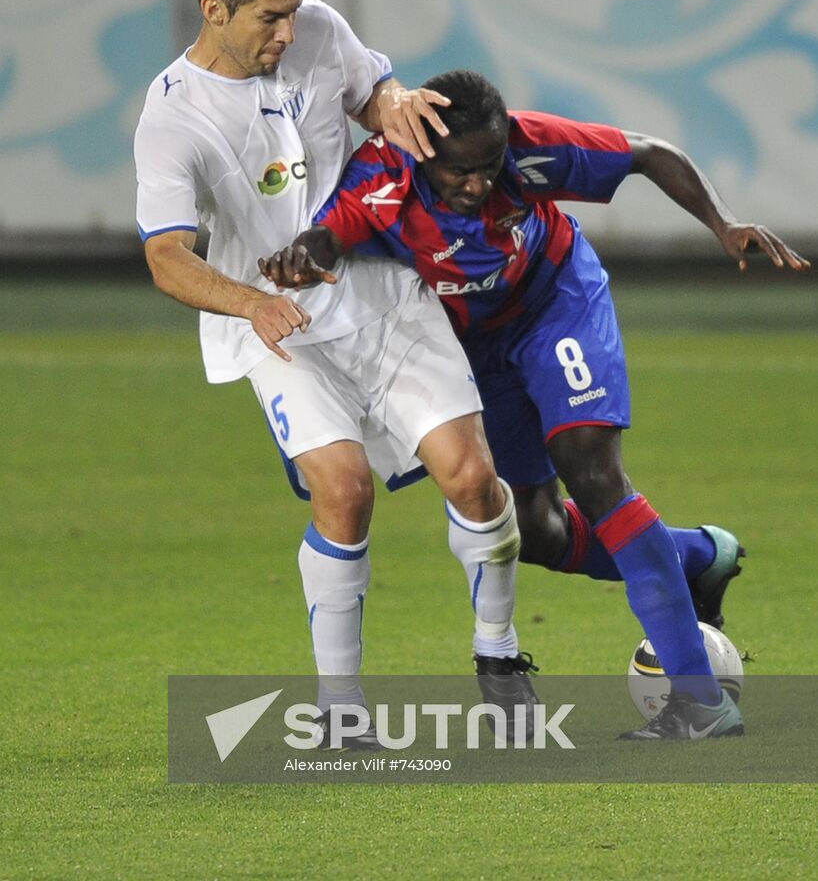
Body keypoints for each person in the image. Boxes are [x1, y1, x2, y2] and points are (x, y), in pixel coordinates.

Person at [260, 68, 810, 741]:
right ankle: (696, 555)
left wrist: (722, 223)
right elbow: (327, 236)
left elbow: (647, 154)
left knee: (593, 469)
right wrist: (301, 254)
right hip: (472, 345)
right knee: (535, 532)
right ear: (422, 152)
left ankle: (699, 698)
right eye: (459, 173)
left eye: (489, 168)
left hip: (557, 302)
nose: (478, 184)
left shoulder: (528, 147)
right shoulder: (380, 174)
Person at [134, 0, 537, 750]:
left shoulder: (318, 28)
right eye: (267, 19)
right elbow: (167, 257)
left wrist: (394, 106)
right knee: (344, 491)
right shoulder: (171, 116)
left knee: (473, 477)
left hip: (380, 290)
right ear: (213, 10)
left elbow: (376, 92)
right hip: (278, 327)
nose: (287, 33)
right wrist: (248, 303)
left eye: (291, 14)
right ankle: (341, 705)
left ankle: (499, 653)